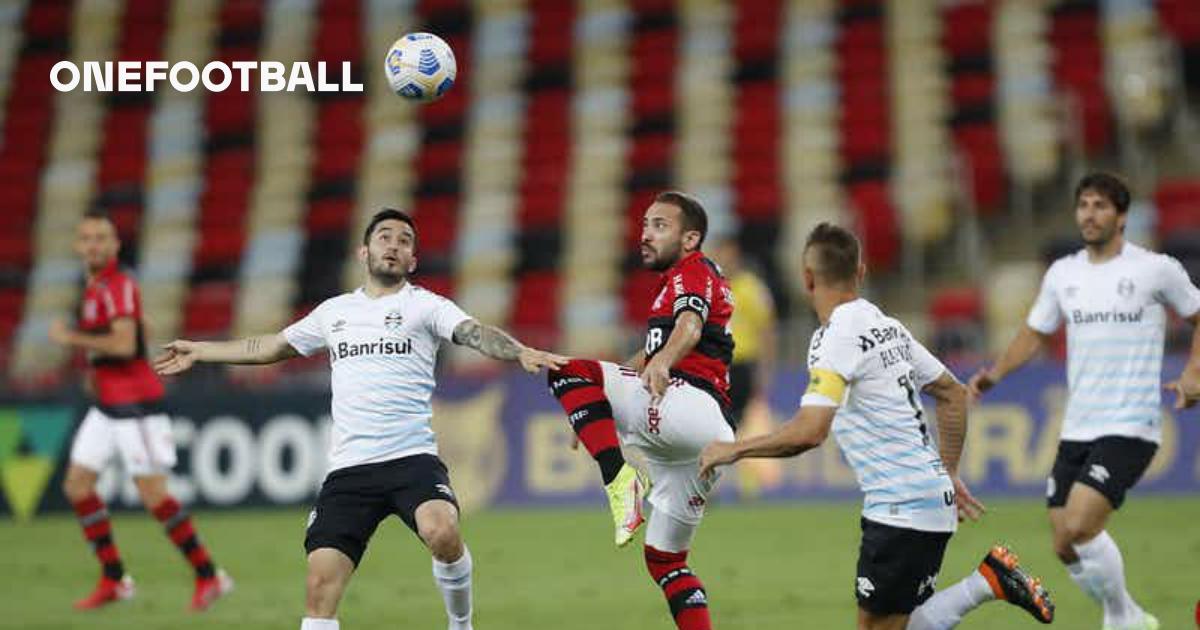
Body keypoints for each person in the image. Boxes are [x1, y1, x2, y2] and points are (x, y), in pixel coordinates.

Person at [154, 208, 567, 630]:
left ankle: (460, 625)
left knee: (441, 531)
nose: (394, 244)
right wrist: (202, 350)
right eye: (385, 236)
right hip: (350, 469)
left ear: (413, 261)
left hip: (411, 459)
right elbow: (269, 347)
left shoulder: (425, 306)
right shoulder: (333, 313)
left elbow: (474, 332)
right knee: (319, 586)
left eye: (404, 240)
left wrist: (519, 351)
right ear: (363, 251)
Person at [699, 223, 1055, 630]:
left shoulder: (834, 337)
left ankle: (985, 583)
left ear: (808, 279)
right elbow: (953, 393)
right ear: (862, 272)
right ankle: (990, 579)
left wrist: (733, 450)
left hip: (900, 508)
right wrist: (948, 471)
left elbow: (810, 432)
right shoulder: (888, 326)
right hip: (924, 501)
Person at [968, 172, 1200, 630]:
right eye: (1082, 206)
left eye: (1099, 206)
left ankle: (1121, 619)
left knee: (1079, 525)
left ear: (1122, 216)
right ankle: (1132, 616)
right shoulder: (1063, 274)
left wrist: (1193, 372)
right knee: (1062, 542)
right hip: (1077, 426)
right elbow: (1035, 333)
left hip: (1131, 425)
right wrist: (993, 375)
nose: (1088, 215)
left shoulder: (1155, 269)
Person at [545, 191, 734, 630]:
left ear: (691, 239)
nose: (646, 235)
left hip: (686, 404)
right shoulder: (674, 281)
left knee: (564, 369)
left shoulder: (694, 271)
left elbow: (690, 325)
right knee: (666, 560)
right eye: (645, 224)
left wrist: (664, 362)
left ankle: (619, 480)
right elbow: (646, 359)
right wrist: (594, 407)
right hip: (701, 440)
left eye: (660, 226)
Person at [50, 209, 231, 611]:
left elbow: (122, 343)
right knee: (78, 485)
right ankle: (114, 578)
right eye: (87, 238)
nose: (94, 245)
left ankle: (209, 574)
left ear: (114, 245)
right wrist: (97, 370)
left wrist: (72, 338)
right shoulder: (96, 286)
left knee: (154, 496)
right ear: (79, 245)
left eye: (102, 238)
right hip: (108, 404)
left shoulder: (118, 284)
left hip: (137, 407)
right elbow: (138, 330)